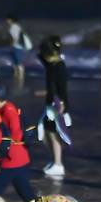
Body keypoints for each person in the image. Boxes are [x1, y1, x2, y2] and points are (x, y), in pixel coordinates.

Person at [38, 37, 70, 178]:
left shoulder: (59, 67)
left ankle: (58, 164)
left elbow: (62, 89)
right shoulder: (51, 64)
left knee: (53, 133)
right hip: (51, 104)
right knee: (46, 132)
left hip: (58, 104)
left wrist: (62, 104)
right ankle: (55, 161)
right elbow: (41, 57)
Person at [6, 16, 31, 84]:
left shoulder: (13, 27)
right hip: (19, 47)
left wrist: (12, 45)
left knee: (18, 63)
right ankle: (19, 77)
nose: (6, 21)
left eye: (7, 19)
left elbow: (15, 37)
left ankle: (20, 78)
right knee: (17, 63)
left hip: (17, 47)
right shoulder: (18, 26)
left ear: (11, 20)